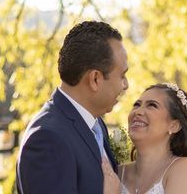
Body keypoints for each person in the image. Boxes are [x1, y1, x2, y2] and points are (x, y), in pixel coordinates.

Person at [16, 20, 129, 194]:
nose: (125, 85)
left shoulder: (96, 125)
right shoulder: (47, 139)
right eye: (122, 76)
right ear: (95, 79)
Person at [102, 83, 187, 194]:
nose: (138, 111)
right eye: (137, 105)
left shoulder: (185, 169)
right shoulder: (116, 172)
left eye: (152, 105)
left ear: (174, 125)